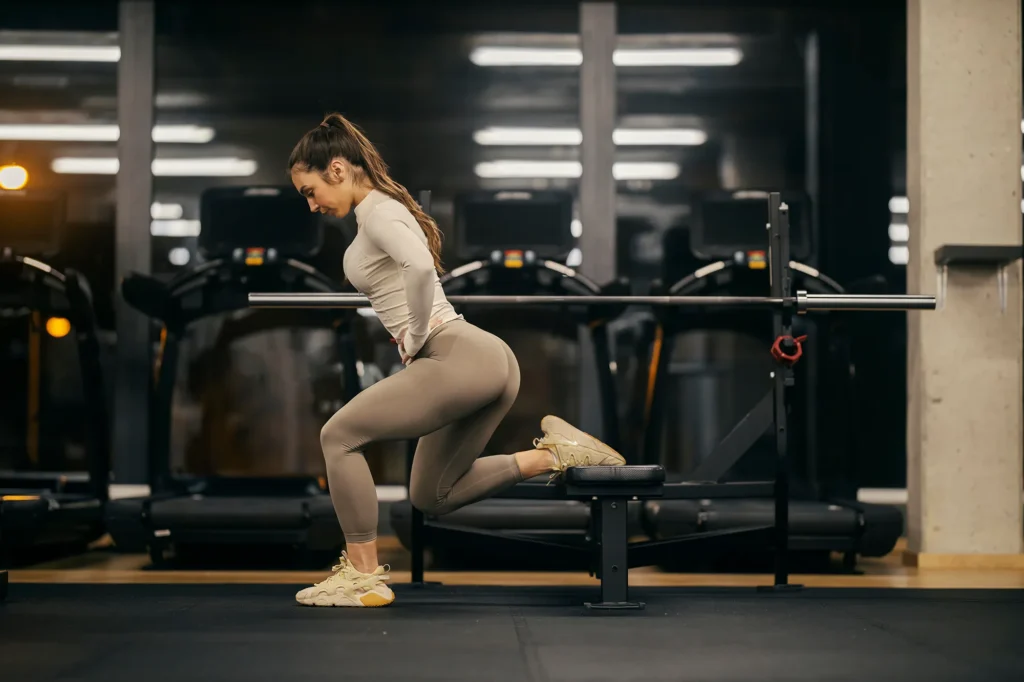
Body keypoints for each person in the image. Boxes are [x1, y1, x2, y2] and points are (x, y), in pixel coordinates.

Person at [287, 113, 626, 607]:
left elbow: (421, 268)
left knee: (338, 436)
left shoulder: (379, 213)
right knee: (432, 495)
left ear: (336, 169)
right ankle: (554, 455)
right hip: (480, 360)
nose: (313, 204)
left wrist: (415, 335)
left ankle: (361, 577)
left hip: (456, 354)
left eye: (310, 190)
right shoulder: (380, 213)